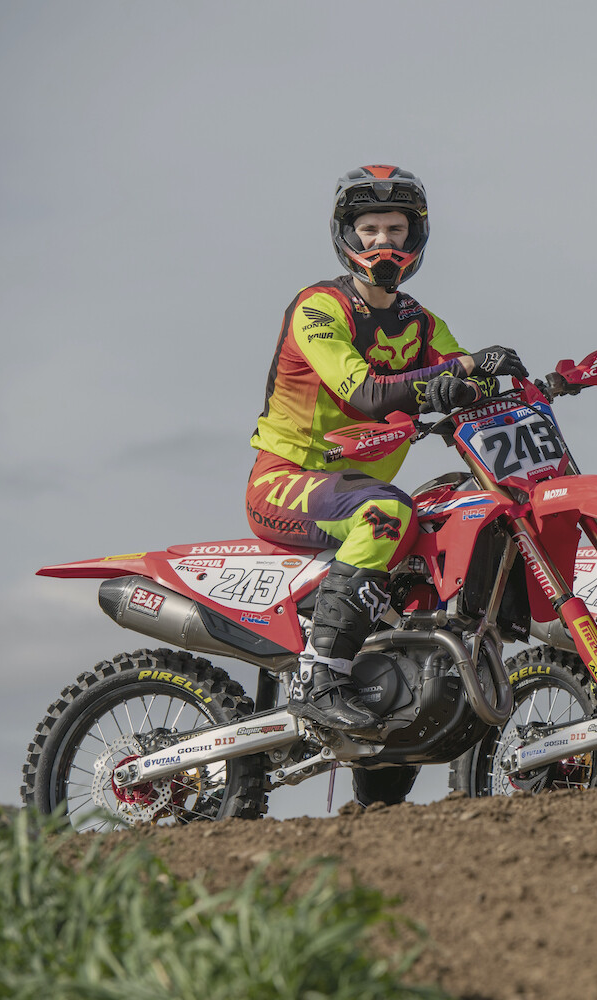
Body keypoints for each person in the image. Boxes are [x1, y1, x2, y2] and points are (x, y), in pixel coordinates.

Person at [248, 164, 526, 741]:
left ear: (414, 237)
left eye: (395, 230)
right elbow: (366, 393)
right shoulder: (319, 307)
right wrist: (459, 370)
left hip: (356, 487)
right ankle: (321, 678)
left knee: (457, 510)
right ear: (346, 235)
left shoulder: (419, 321)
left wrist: (480, 382)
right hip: (287, 480)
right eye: (370, 229)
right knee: (388, 514)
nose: (383, 242)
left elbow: (465, 376)